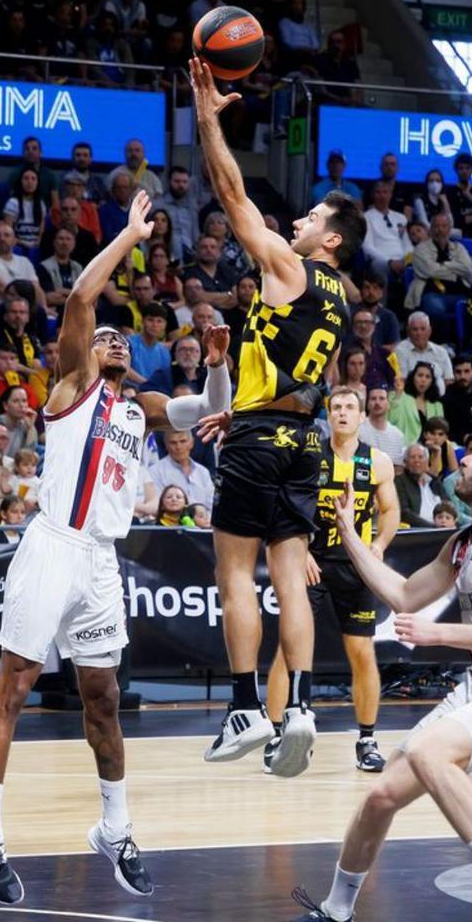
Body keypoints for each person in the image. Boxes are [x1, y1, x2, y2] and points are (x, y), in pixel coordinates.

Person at [0, 193, 233, 904]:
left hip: (101, 558)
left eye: (123, 338)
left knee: (104, 696)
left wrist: (215, 365)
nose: (115, 340)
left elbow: (209, 408)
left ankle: (115, 828)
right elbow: (84, 295)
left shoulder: (140, 409)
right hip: (53, 543)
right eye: (106, 336)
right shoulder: (74, 384)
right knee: (15, 685)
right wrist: (131, 236)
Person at [289, 435, 472, 922]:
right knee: (381, 796)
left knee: (428, 751)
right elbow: (403, 594)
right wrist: (348, 533)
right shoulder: (464, 541)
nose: (464, 458)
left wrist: (439, 634)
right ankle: (336, 910)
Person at [188, 56, 366, 777]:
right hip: (304, 441)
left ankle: (243, 708)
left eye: (312, 218)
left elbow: (232, 193)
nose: (297, 220)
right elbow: (316, 383)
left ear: (330, 240)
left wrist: (208, 119)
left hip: (261, 440)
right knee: (291, 577)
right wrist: (250, 409)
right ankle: (302, 710)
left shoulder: (289, 268)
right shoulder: (344, 297)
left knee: (235, 572)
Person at [265, 387, 398, 772]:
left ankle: (367, 740)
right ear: (328, 414)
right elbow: (286, 508)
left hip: (355, 566)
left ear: (361, 416)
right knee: (288, 650)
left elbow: (390, 509)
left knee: (362, 652)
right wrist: (301, 551)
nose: (342, 412)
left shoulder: (377, 462)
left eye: (350, 407)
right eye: (336, 406)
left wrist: (379, 544)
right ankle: (277, 735)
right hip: (312, 562)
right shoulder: (309, 457)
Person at [148, 428, 214, 511]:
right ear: (166, 445)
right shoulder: (155, 472)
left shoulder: (203, 472)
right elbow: (158, 507)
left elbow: (211, 505)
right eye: (173, 443)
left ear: (191, 443)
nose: (178, 447)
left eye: (183, 441)